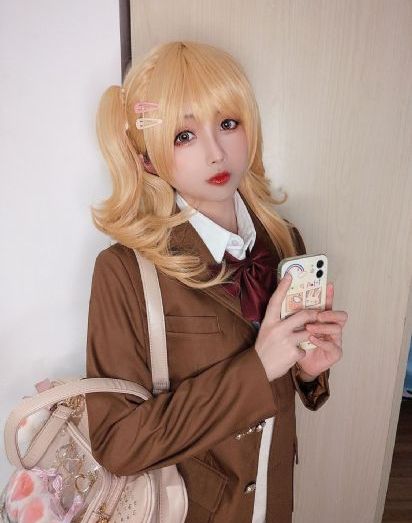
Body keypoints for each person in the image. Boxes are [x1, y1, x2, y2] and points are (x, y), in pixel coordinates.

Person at [85, 40, 347, 523]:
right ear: (148, 159)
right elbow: (117, 442)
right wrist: (258, 367)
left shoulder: (283, 239)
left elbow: (285, 371)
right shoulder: (123, 270)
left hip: (275, 499)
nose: (215, 152)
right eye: (184, 135)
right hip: (193, 510)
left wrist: (308, 371)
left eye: (228, 124)